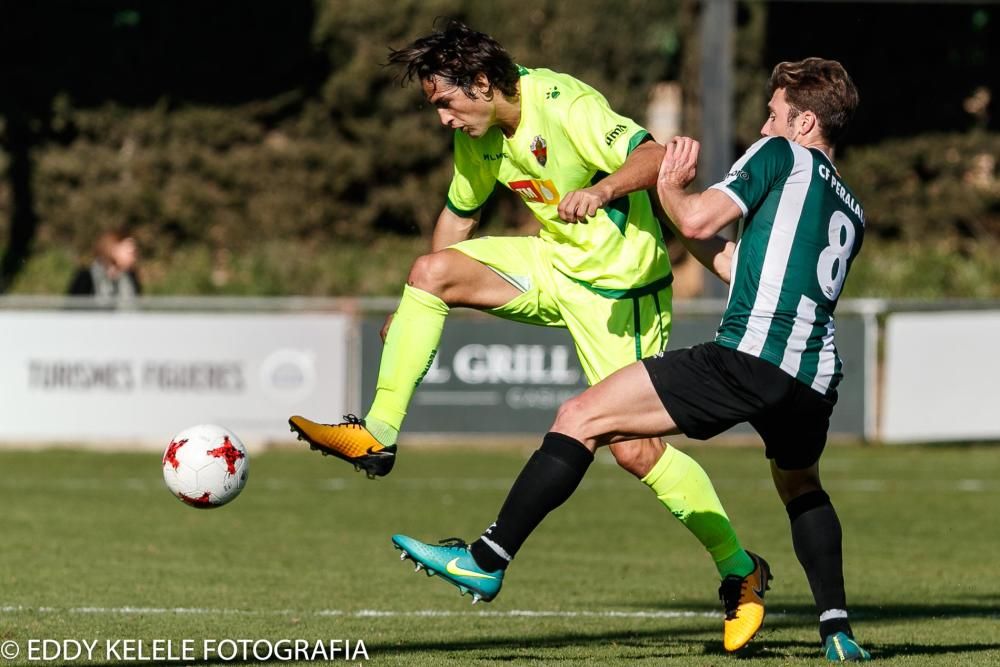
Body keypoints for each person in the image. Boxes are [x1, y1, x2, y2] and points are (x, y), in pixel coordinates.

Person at [290, 20, 769, 651]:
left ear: (483, 84)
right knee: (431, 271)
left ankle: (741, 572)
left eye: (445, 103)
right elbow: (459, 214)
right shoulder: (480, 136)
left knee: (633, 450)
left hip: (620, 293)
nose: (444, 120)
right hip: (553, 266)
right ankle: (376, 436)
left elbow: (652, 155)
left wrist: (600, 189)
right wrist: (419, 303)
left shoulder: (564, 104)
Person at [393, 57, 871, 662]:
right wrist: (678, 211)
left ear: (804, 122)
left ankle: (486, 559)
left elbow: (696, 215)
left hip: (751, 355)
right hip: (815, 376)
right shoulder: (851, 209)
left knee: (580, 417)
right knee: (802, 487)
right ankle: (837, 632)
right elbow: (729, 264)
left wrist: (668, 181)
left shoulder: (779, 156)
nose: (764, 127)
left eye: (774, 116)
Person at [67, 229, 142, 304]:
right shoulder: (86, 278)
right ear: (113, 249)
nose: (133, 256)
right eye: (129, 252)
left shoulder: (131, 279)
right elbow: (73, 308)